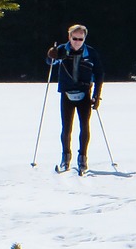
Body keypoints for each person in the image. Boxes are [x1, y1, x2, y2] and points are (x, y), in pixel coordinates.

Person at [45, 24, 104, 174]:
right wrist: (50, 55)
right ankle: (66, 158)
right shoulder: (62, 49)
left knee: (85, 126)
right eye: (74, 38)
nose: (77, 41)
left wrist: (97, 95)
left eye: (80, 39)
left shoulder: (90, 52)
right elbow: (50, 62)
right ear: (69, 37)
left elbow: (99, 74)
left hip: (84, 94)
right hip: (66, 94)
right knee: (66, 128)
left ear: (84, 38)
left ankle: (82, 158)